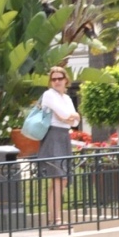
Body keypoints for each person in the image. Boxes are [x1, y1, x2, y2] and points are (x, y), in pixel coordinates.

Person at [36, 66, 81, 226]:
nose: (56, 82)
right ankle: (56, 219)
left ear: (65, 80)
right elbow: (65, 116)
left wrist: (70, 117)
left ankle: (53, 218)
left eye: (59, 79)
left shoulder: (67, 98)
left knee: (61, 180)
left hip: (64, 138)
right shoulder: (49, 95)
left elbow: (75, 121)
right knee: (58, 179)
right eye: (53, 79)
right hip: (53, 137)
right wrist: (69, 117)